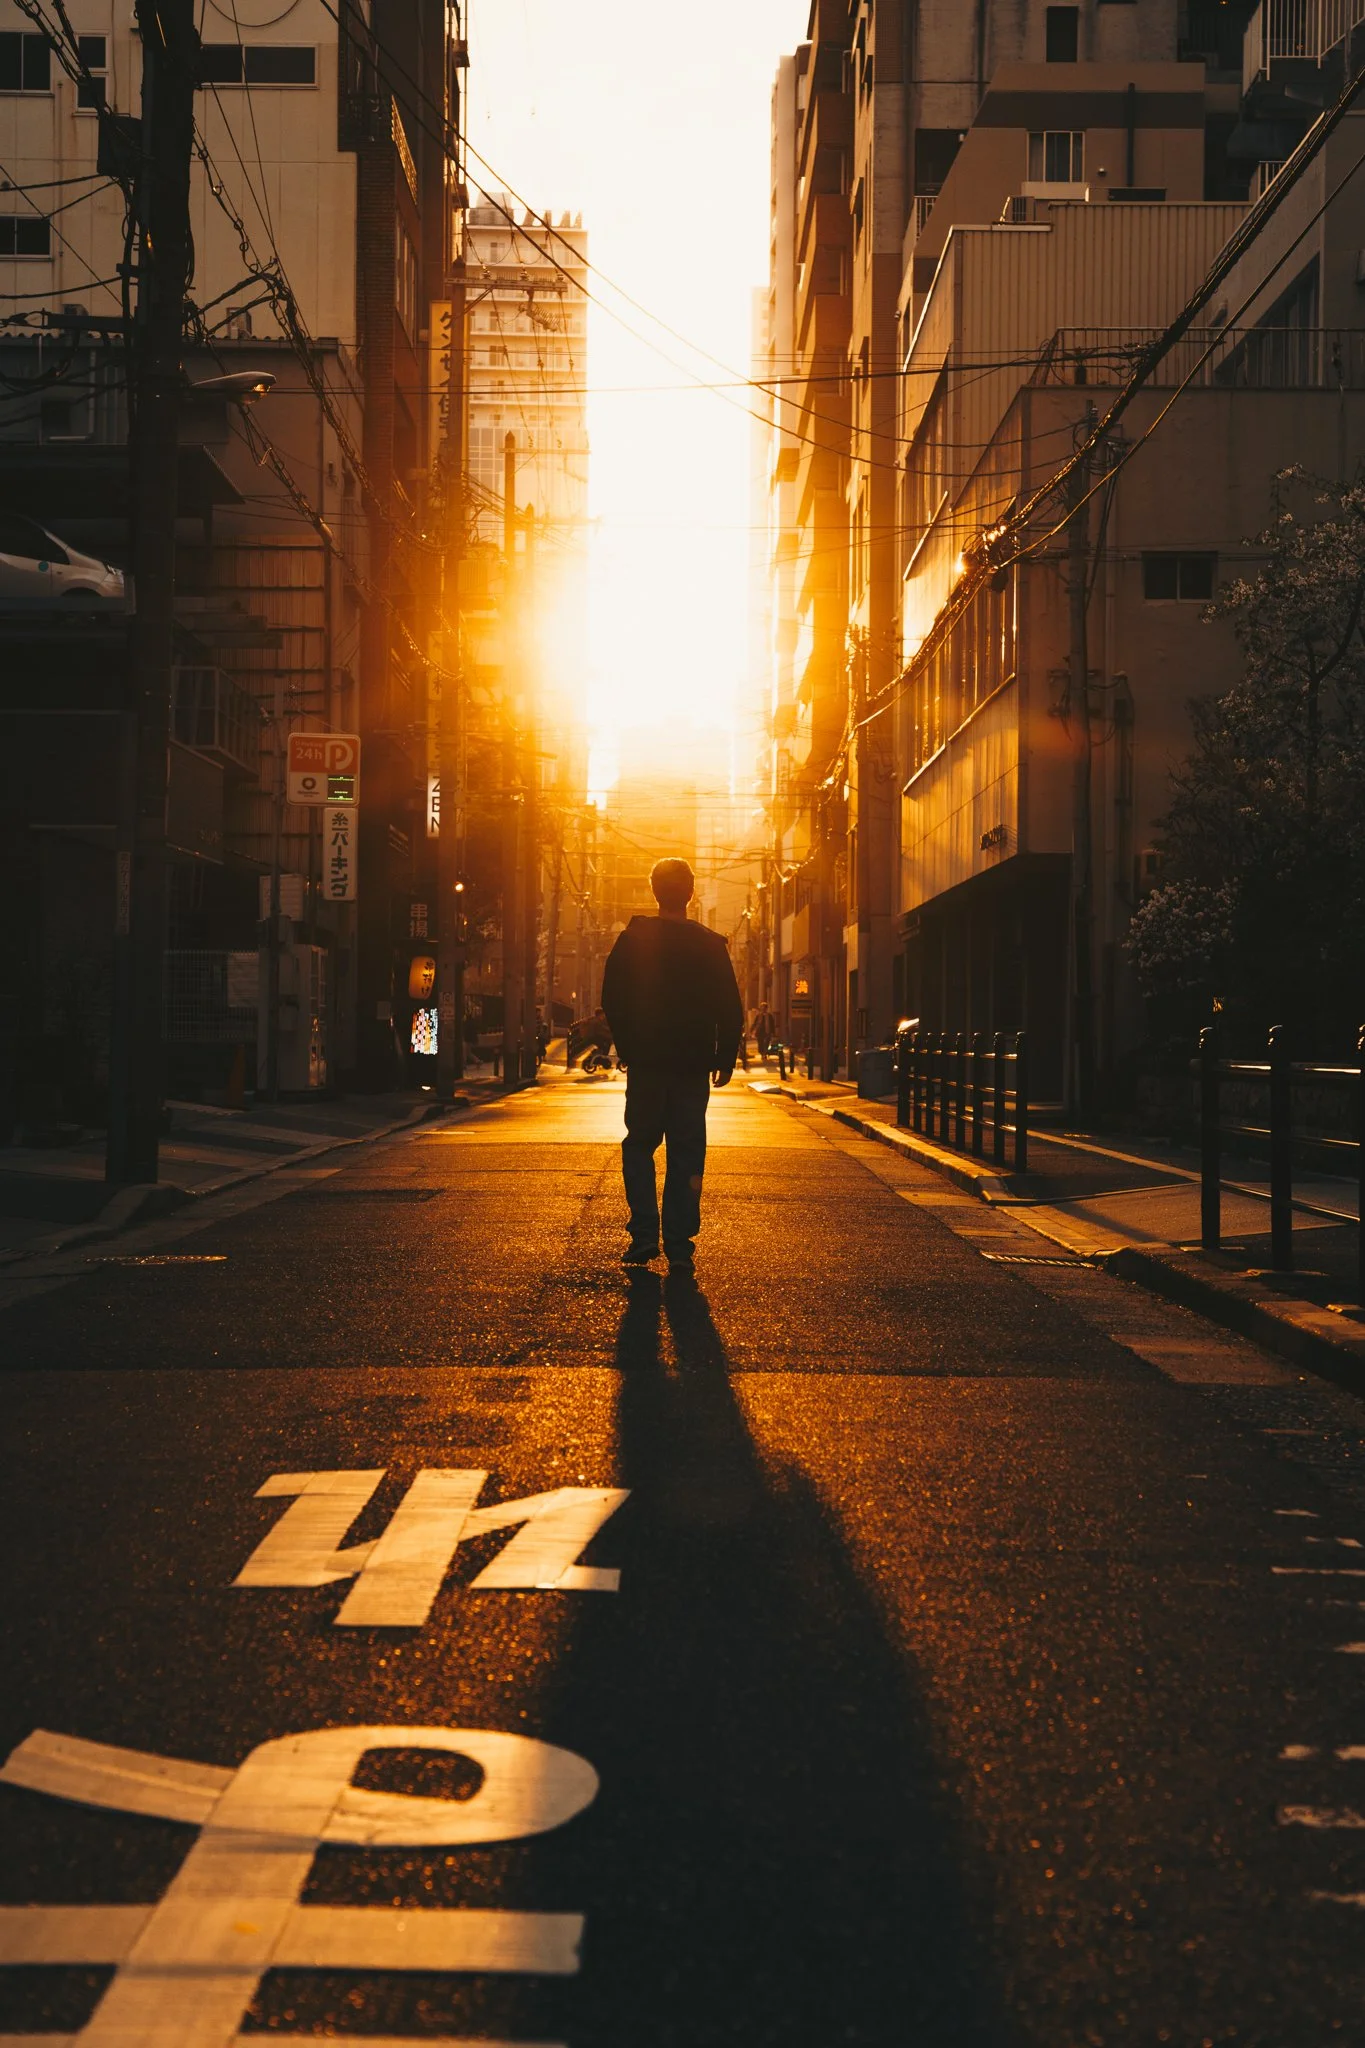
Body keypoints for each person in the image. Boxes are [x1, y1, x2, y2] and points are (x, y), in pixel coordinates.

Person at [601, 856, 744, 1271]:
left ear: (653, 890)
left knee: (639, 1144)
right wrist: (724, 1057)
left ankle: (644, 1233)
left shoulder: (633, 939)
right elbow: (730, 1008)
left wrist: (627, 1046)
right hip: (692, 1062)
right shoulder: (709, 944)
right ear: (691, 892)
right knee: (686, 1150)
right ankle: (679, 1242)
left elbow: (612, 997)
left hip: (647, 1060)